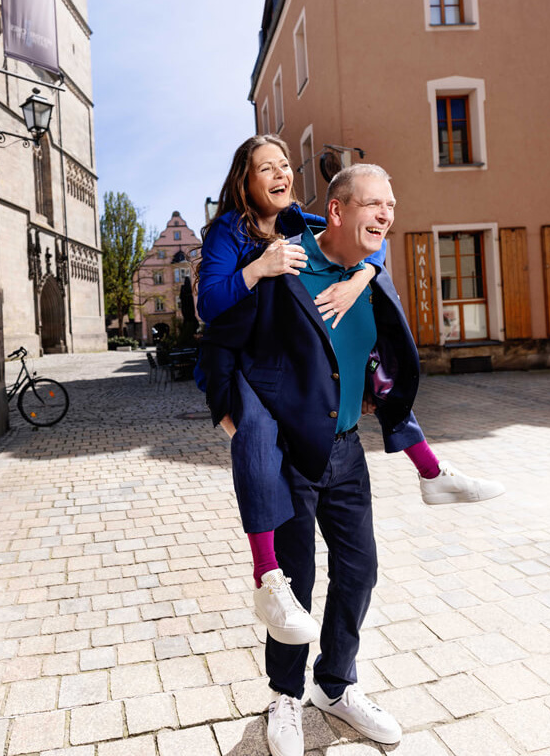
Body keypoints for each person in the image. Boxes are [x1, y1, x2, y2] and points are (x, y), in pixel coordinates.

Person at [197, 135, 504, 650]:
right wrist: (260, 267)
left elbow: (365, 237)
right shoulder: (230, 230)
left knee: (378, 370)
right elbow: (210, 306)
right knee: (253, 431)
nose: (280, 174)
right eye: (265, 168)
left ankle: (430, 469)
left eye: (284, 166)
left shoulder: (300, 222)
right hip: (246, 361)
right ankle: (268, 585)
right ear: (245, 181)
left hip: (322, 413)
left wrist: (364, 274)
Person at [201, 162, 430, 754]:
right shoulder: (285, 263)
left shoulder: (371, 269)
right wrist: (226, 407)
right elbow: (222, 328)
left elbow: (388, 339)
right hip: (293, 451)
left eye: (392, 204)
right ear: (337, 210)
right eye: (375, 204)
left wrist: (365, 275)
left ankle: (335, 685)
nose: (387, 214)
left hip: (348, 449)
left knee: (360, 570)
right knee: (295, 579)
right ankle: (285, 694)